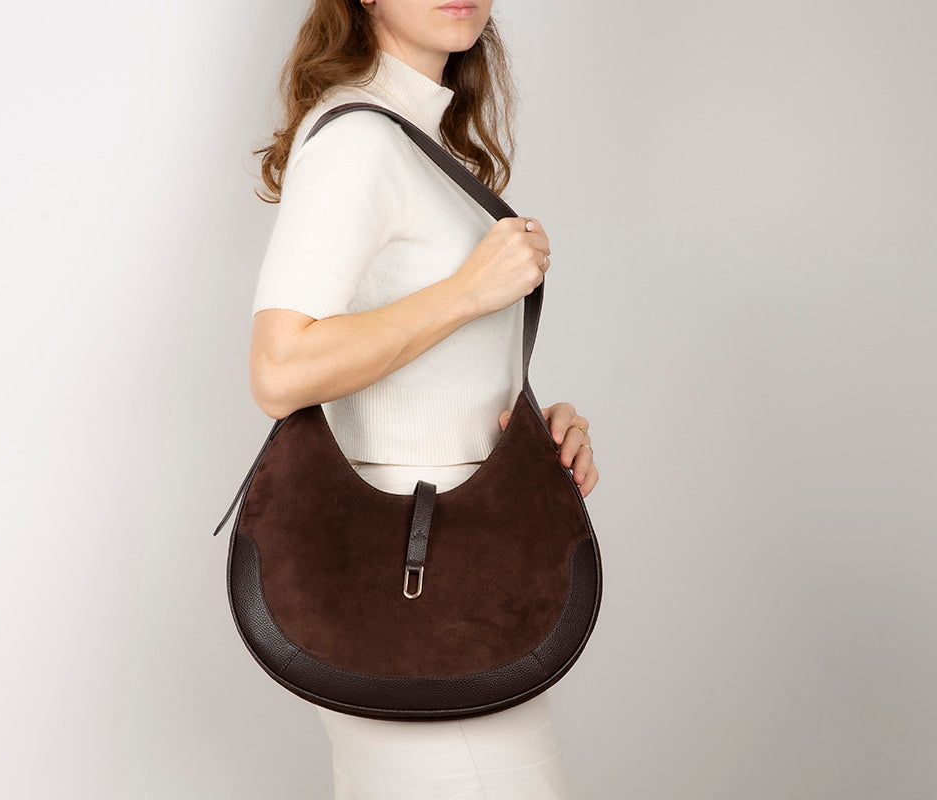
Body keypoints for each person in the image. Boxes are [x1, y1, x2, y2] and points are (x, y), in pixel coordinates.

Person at [248, 1, 599, 797]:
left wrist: (526, 431)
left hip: (456, 570)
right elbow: (280, 368)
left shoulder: (419, 142)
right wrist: (468, 291)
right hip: (412, 582)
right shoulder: (359, 141)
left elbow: (419, 368)